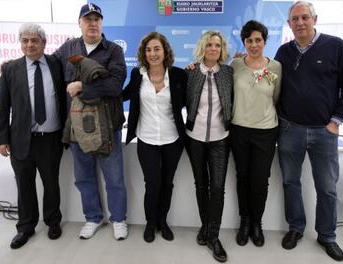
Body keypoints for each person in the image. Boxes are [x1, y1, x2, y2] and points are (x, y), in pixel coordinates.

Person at [274, 1, 343, 261]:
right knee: (290, 182)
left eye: (304, 17)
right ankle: (296, 228)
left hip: (324, 132)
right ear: (289, 24)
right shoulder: (283, 52)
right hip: (290, 129)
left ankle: (327, 236)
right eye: (295, 19)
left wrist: (336, 120)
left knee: (327, 187)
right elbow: (270, 82)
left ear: (314, 19)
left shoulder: (335, 46)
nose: (300, 23)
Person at [53, 3, 128, 240]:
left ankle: (118, 219)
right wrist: (12, 65)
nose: (93, 23)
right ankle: (93, 217)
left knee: (114, 177)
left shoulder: (113, 50)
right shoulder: (68, 48)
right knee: (84, 176)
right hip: (76, 128)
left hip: (107, 126)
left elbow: (115, 85)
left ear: (102, 23)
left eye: (97, 19)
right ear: (80, 23)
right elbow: (49, 67)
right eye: (88, 19)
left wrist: (83, 86)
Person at [0, 22, 66, 249]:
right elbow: (2, 105)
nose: (29, 44)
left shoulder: (57, 63)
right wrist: (1, 138)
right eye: (25, 40)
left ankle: (53, 222)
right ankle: (25, 227)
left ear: (44, 43)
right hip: (21, 139)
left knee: (51, 184)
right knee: (24, 186)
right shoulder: (10, 69)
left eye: (34, 40)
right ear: (20, 43)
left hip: (50, 138)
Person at [122, 32, 187, 243]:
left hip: (172, 139)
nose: (153, 53)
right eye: (148, 49)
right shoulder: (136, 75)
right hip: (146, 138)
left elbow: (192, 97)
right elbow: (121, 95)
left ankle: (163, 222)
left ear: (165, 51)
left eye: (157, 49)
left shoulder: (178, 75)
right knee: (152, 184)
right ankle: (150, 223)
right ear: (143, 53)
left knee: (167, 183)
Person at [230, 20, 281, 248]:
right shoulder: (235, 65)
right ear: (244, 42)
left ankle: (257, 224)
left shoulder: (275, 67)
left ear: (265, 41)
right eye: (249, 40)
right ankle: (244, 222)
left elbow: (276, 97)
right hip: (239, 129)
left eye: (258, 40)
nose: (253, 44)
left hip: (266, 132)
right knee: (242, 178)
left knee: (260, 180)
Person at [185, 31, 233, 263]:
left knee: (218, 187)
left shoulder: (228, 72)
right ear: (203, 47)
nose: (213, 48)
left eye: (217, 45)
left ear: (222, 49)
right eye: (209, 45)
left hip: (220, 138)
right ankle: (205, 226)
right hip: (194, 137)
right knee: (201, 185)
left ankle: (213, 236)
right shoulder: (191, 72)